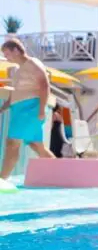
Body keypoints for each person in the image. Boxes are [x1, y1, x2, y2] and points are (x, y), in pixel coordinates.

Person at [0, 39, 54, 179]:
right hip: (20, 109)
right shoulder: (18, 70)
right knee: (36, 145)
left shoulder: (33, 63)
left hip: (30, 109)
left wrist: (42, 110)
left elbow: (45, 85)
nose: (6, 57)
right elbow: (16, 94)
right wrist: (3, 108)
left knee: (12, 143)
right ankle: (61, 172)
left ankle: (2, 179)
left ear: (16, 50)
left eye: (7, 53)